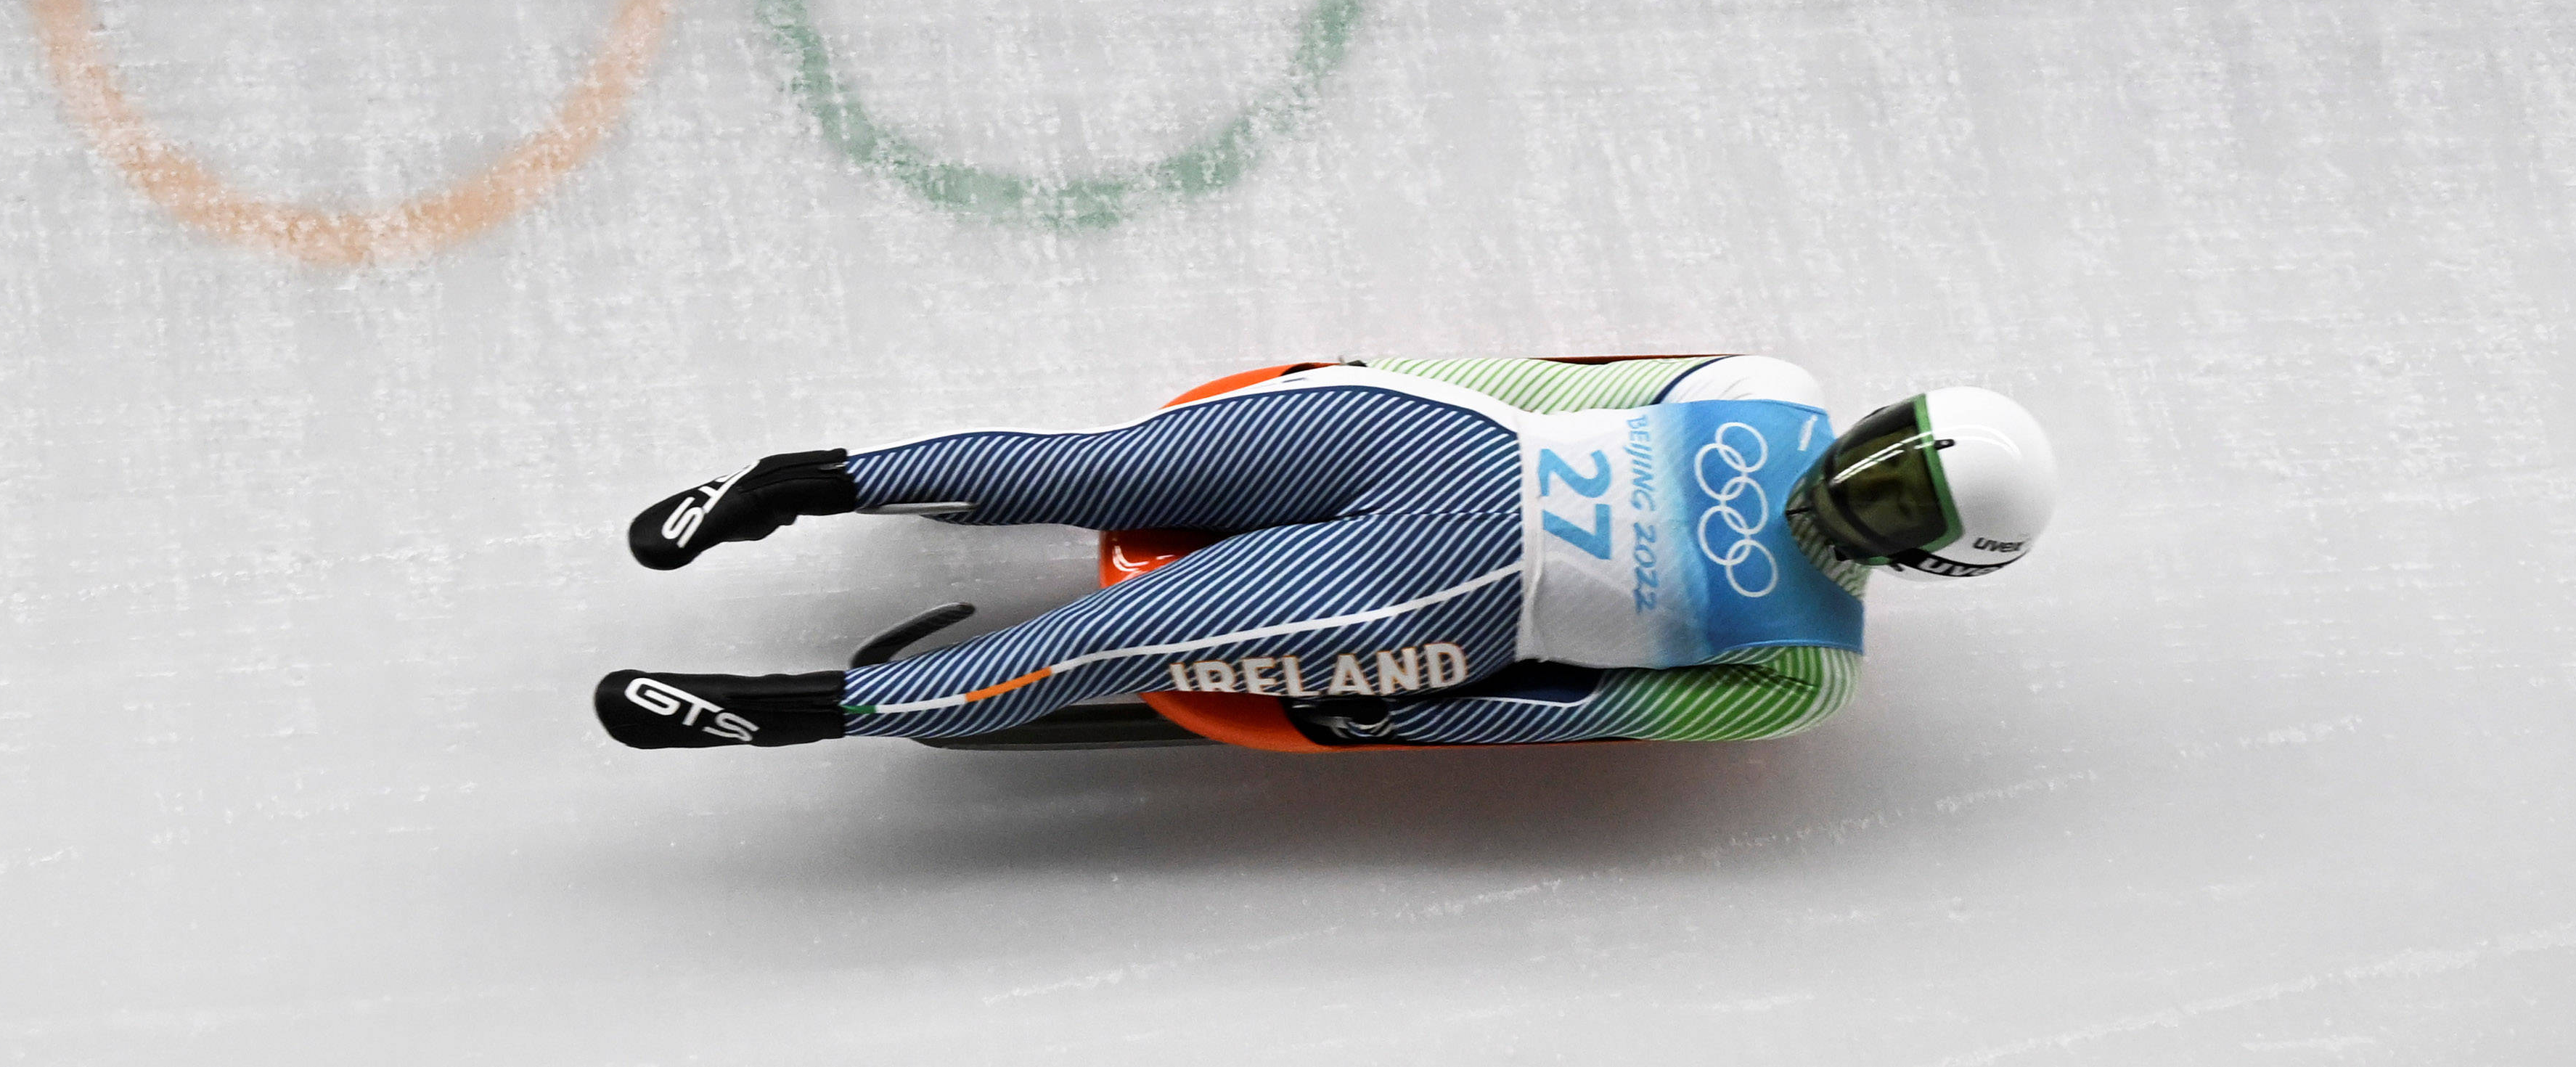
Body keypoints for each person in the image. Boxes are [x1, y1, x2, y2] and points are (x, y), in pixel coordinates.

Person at [594, 353, 2055, 751]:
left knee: (1118, 636)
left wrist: (1416, 714)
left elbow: (1587, 711)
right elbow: (1554, 382)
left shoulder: (1803, 665)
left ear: (1927, 560)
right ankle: (796, 480)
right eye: (1874, 448)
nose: (1845, 486)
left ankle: (794, 711)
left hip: (1450, 595)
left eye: (1884, 505)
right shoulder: (1766, 384)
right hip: (1435, 439)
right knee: (1099, 463)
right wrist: (1378, 373)